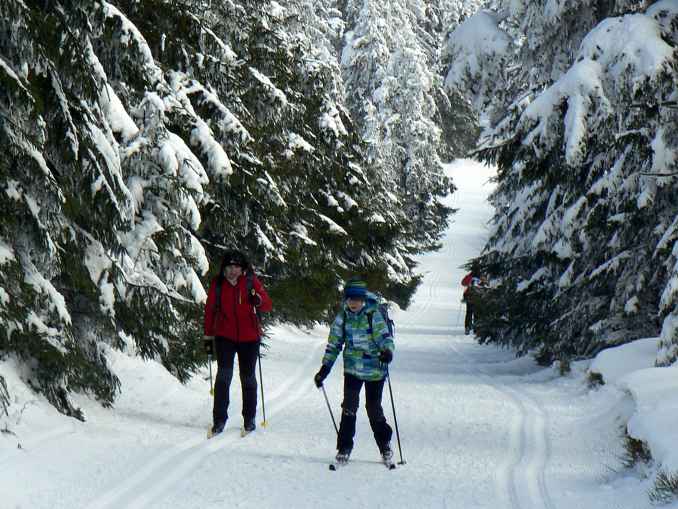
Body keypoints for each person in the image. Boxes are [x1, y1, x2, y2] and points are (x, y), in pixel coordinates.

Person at [313, 277, 395, 465]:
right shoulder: (343, 317)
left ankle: (385, 444)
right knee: (349, 407)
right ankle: (344, 447)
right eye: (350, 299)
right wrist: (324, 370)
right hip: (352, 369)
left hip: (375, 369)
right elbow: (334, 345)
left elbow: (385, 338)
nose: (353, 303)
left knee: (373, 409)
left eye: (357, 299)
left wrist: (387, 352)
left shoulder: (372, 314)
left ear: (363, 299)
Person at [203, 250, 272, 436]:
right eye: (229, 267)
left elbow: (267, 304)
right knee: (223, 377)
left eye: (237, 267)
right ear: (224, 268)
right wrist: (208, 336)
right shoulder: (218, 285)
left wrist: (257, 300)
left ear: (243, 269)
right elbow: (210, 311)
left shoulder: (251, 282)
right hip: (224, 336)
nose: (233, 271)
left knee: (248, 378)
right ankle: (219, 419)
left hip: (250, 338)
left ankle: (249, 418)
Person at [461, 263, 486, 335]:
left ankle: (467, 328)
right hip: (479, 297)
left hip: (469, 297)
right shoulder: (482, 276)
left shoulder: (469, 276)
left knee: (469, 312)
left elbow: (463, 283)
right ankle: (476, 329)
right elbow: (486, 284)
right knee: (477, 313)